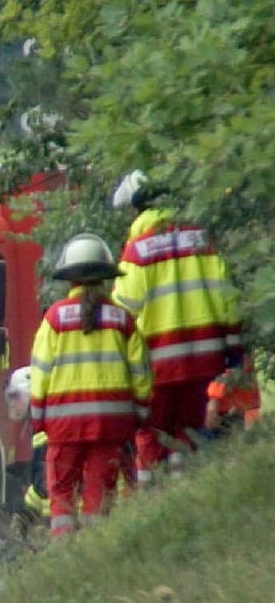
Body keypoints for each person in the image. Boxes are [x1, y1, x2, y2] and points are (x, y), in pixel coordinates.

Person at [110, 170, 242, 480]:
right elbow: (230, 302)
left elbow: (124, 312)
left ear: (138, 208)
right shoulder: (204, 238)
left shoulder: (138, 249)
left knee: (150, 441)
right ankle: (186, 504)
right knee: (188, 441)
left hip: (157, 370)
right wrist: (233, 356)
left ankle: (151, 509)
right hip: (206, 365)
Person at [30, 234, 153, 536]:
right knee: (100, 493)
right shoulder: (123, 320)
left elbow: (40, 372)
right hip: (111, 424)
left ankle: (63, 552)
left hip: (63, 424)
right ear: (106, 277)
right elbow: (141, 375)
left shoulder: (54, 318)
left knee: (61, 492)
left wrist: (37, 419)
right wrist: (139, 413)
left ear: (69, 278)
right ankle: (94, 548)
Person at [4, 366, 50, 537]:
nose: (12, 403)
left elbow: (43, 479)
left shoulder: (42, 424)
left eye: (16, 397)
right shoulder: (40, 419)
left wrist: (25, 514)